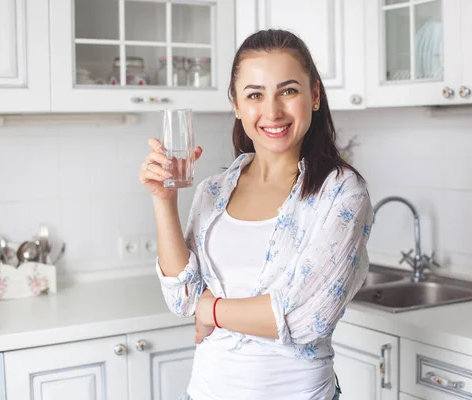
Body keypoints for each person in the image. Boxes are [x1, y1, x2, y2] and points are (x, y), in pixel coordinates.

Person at [139, 29, 373, 400]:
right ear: (236, 104)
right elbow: (182, 296)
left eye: (288, 90)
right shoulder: (213, 191)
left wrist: (210, 310)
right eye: (255, 95)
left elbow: (307, 318)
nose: (272, 111)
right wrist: (163, 201)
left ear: (314, 96)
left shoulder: (342, 193)